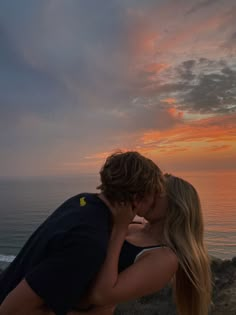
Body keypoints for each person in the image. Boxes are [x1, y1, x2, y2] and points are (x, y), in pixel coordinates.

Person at [0, 151, 165, 315]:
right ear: (137, 198)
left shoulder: (82, 201)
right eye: (153, 194)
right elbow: (13, 309)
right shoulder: (88, 242)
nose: (155, 200)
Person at [67, 174, 212, 315]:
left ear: (177, 205)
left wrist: (120, 227)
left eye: (158, 191)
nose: (148, 194)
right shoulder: (134, 226)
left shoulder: (164, 258)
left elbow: (101, 295)